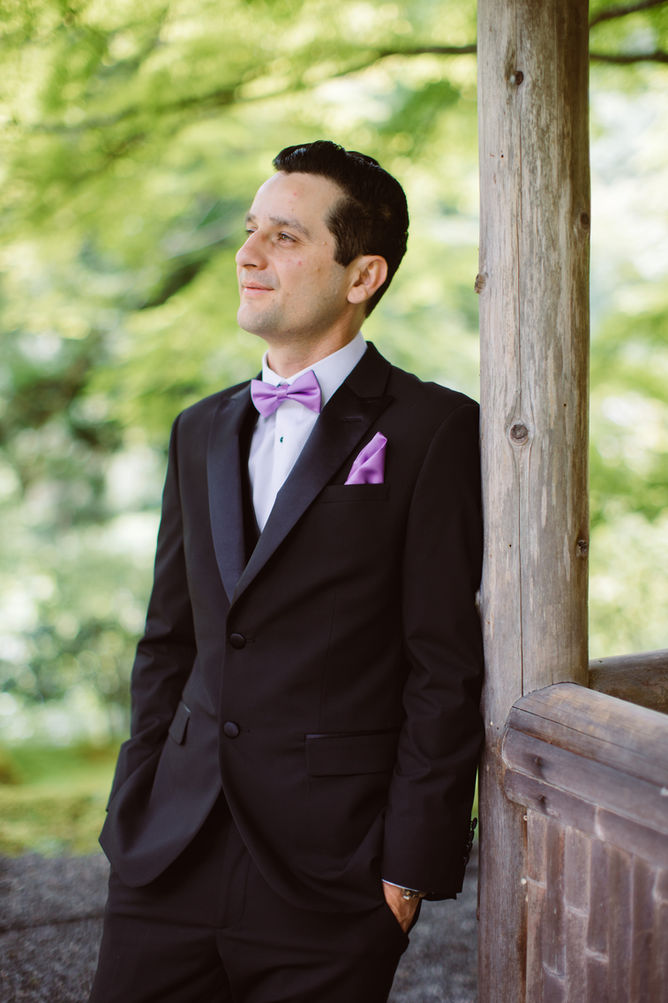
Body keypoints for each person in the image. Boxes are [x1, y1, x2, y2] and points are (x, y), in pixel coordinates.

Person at [89, 140, 484, 1003]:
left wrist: (407, 873)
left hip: (331, 875)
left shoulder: (435, 429)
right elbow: (169, 640)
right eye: (249, 229)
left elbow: (444, 666)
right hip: (168, 854)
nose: (248, 252)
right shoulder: (198, 429)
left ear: (362, 274)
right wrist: (136, 803)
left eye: (286, 236)